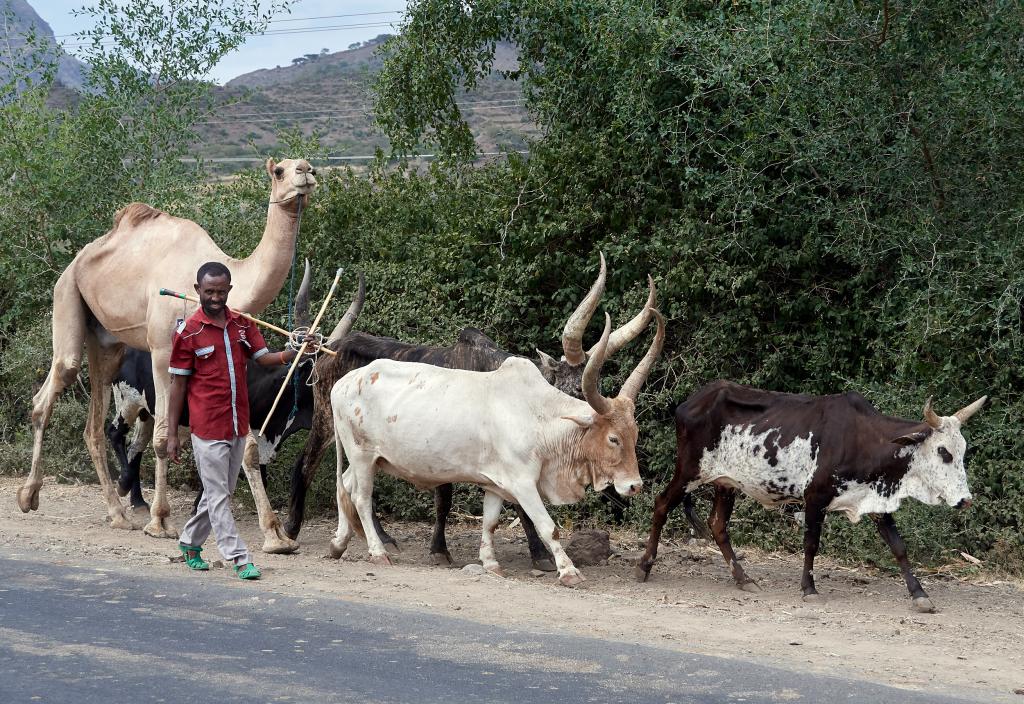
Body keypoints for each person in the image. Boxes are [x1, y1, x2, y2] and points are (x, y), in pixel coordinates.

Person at [166, 261, 318, 580]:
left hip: (238, 424)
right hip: (206, 427)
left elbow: (265, 359)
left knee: (221, 491)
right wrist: (170, 433)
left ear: (229, 290)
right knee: (219, 494)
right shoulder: (188, 333)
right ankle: (238, 556)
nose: (216, 298)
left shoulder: (242, 325)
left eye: (221, 292)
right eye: (209, 292)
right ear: (198, 291)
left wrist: (295, 350)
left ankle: (189, 542)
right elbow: (177, 385)